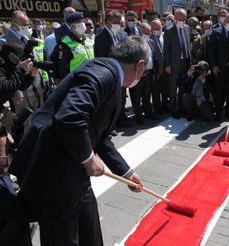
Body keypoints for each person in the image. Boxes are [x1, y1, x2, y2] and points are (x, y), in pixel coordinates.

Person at [9, 36, 147, 246]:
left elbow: (98, 135)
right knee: (62, 235)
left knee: (89, 227)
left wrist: (126, 172)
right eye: (144, 73)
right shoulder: (103, 74)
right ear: (140, 65)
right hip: (54, 169)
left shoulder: (110, 77)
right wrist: (88, 158)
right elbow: (70, 117)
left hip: (72, 164)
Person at [95, 10, 133, 129]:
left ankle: (121, 118)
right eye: (114, 22)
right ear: (107, 22)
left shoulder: (120, 34)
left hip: (121, 72)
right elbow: (101, 57)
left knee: (120, 98)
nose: (117, 24)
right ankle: (110, 126)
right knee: (109, 102)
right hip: (108, 72)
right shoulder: (101, 37)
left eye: (119, 22)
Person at [164, 8, 192, 119]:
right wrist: (167, 64)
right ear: (175, 18)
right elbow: (166, 49)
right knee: (173, 86)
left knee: (183, 86)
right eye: (180, 18)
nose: (182, 20)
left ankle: (181, 107)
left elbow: (188, 45)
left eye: (184, 18)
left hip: (185, 62)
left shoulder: (187, 28)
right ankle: (173, 109)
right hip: (174, 64)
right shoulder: (169, 30)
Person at [51, 12, 94, 82]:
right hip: (75, 81)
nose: (82, 24)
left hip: (90, 79)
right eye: (78, 22)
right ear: (72, 25)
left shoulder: (88, 40)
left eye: (82, 21)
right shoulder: (65, 43)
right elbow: (62, 68)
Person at [129, 23, 157, 124]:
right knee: (136, 96)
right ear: (140, 32)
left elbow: (153, 58)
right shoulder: (134, 43)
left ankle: (148, 112)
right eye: (146, 33)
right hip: (137, 74)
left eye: (149, 33)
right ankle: (138, 116)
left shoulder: (151, 42)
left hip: (148, 73)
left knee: (146, 95)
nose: (148, 35)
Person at [150, 18, 168, 115]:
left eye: (159, 28)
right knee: (155, 91)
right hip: (155, 70)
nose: (157, 31)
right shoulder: (149, 38)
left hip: (165, 68)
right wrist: (153, 72)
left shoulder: (165, 36)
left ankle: (165, 105)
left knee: (165, 89)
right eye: (155, 29)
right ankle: (157, 109)